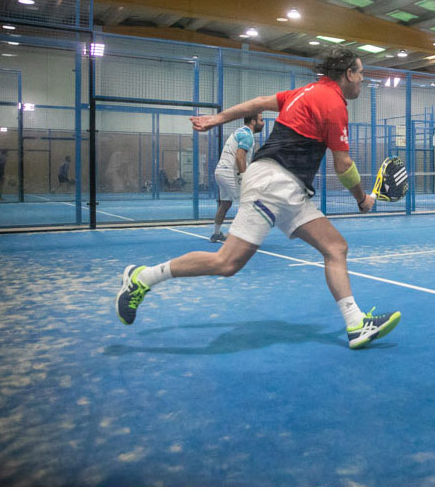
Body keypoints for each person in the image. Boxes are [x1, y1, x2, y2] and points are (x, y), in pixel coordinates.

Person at [115, 47, 401, 349]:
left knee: (335, 247)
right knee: (227, 262)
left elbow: (258, 102)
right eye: (361, 73)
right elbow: (343, 166)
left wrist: (217, 118)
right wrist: (362, 199)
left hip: (291, 189)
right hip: (273, 183)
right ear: (349, 74)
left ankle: (356, 324)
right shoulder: (333, 104)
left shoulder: (304, 92)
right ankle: (143, 278)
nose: (363, 80)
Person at [210, 113, 265, 242]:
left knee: (225, 203)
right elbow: (240, 157)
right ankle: (239, 238)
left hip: (221, 172)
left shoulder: (239, 132)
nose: (263, 123)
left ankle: (216, 233)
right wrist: (244, 177)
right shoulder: (247, 136)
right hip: (230, 172)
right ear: (253, 121)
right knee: (247, 203)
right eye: (261, 120)